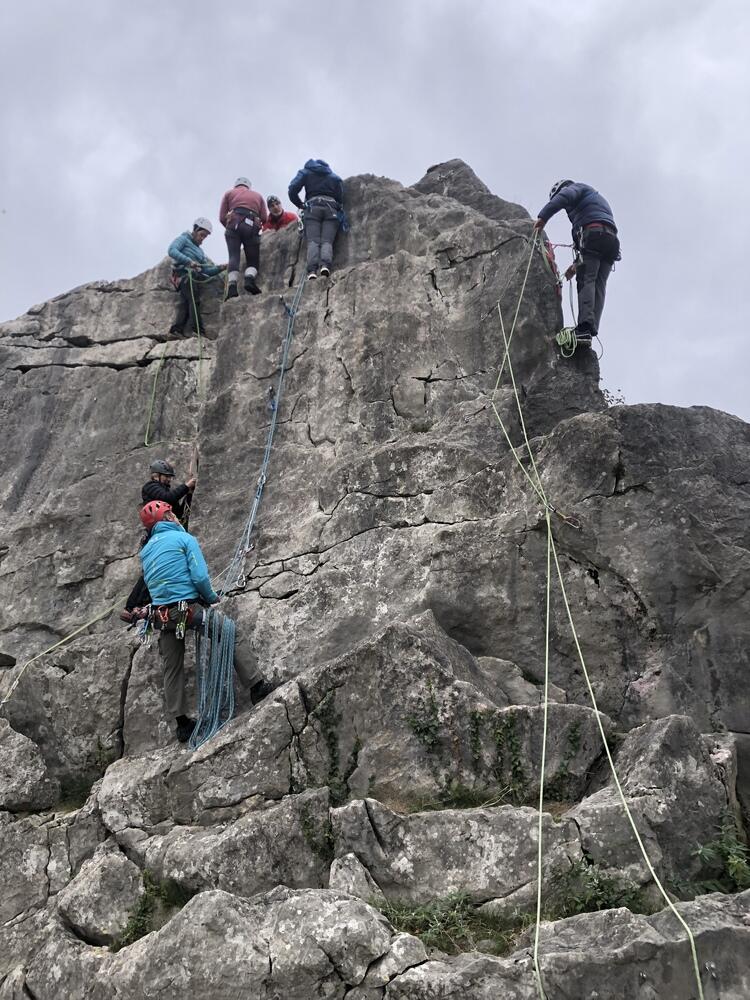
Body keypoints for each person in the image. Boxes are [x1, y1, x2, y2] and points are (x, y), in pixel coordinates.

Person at [138, 500, 269, 743]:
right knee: (230, 633)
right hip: (188, 610)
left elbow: (152, 584)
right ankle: (257, 687)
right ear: (165, 519)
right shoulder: (185, 539)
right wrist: (210, 597)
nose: (176, 517)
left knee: (172, 666)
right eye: (171, 513)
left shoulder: (145, 553)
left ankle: (182, 724)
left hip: (163, 616)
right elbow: (199, 575)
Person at [533, 181, 620, 344]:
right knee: (599, 285)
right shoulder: (594, 198)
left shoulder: (574, 189)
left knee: (586, 279)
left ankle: (584, 329)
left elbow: (565, 197)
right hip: (611, 242)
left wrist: (543, 217)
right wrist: (575, 265)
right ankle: (590, 329)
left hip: (594, 235)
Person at [167, 218, 225, 337]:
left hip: (192, 276)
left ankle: (177, 330)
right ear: (195, 230)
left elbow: (206, 271)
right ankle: (198, 330)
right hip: (184, 274)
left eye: (205, 237)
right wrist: (188, 261)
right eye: (201, 234)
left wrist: (220, 268)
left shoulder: (200, 252)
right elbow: (172, 250)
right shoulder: (183, 239)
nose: (202, 238)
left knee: (186, 301)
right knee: (194, 300)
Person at [288, 159, 344, 279]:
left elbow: (292, 188)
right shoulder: (333, 177)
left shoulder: (306, 172)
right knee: (327, 240)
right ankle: (325, 266)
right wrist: (338, 205)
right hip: (331, 209)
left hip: (312, 208)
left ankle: (312, 271)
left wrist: (300, 204)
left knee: (313, 240)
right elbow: (340, 197)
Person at [219, 177, 268, 298]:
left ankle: (232, 287)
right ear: (249, 187)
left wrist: (229, 226)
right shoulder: (258, 196)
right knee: (252, 260)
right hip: (251, 226)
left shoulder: (229, 193)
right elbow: (265, 218)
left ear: (236, 185)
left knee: (234, 256)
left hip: (233, 224)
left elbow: (221, 217)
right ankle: (249, 279)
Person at [142, 459, 196, 524]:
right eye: (166, 476)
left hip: (172, 525)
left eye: (170, 477)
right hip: (159, 526)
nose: (169, 479)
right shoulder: (150, 486)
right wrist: (187, 486)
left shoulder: (167, 491)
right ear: (156, 476)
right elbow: (168, 498)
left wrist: (189, 494)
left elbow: (179, 514)